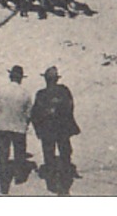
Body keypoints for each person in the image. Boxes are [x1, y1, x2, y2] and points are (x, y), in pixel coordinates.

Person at [30, 66, 80, 194]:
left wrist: (38, 129)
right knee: (65, 152)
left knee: (49, 154)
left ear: (46, 80)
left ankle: (52, 180)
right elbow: (70, 107)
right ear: (56, 79)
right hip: (62, 129)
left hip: (48, 130)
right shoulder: (64, 91)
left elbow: (35, 114)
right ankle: (65, 178)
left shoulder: (41, 94)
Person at [0, 65, 34, 195]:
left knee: (3, 154)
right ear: (21, 79)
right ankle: (19, 177)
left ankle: (4, 183)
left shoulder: (0, 90)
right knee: (19, 152)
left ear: (10, 77)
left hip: (2, 126)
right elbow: (29, 113)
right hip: (18, 127)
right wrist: (25, 123)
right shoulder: (25, 93)